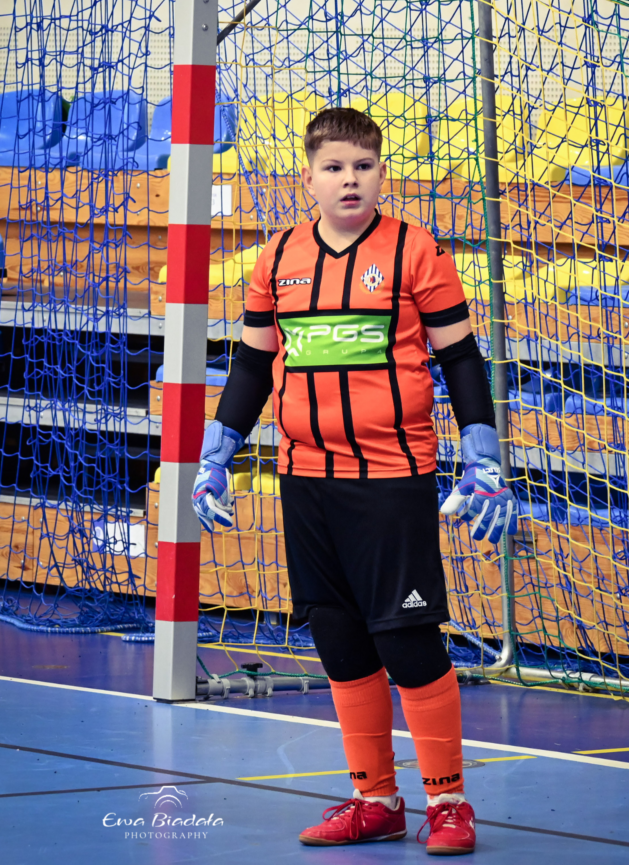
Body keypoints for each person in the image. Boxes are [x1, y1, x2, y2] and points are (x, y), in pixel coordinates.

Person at [192, 106, 515, 855]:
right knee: (339, 644)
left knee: (407, 642)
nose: (349, 180)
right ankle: (376, 801)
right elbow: (252, 366)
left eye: (363, 167)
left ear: (380, 175)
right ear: (307, 178)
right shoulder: (275, 258)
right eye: (334, 168)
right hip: (305, 480)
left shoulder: (415, 250)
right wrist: (216, 454)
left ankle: (449, 804)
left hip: (392, 480)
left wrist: (483, 453)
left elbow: (460, 359)